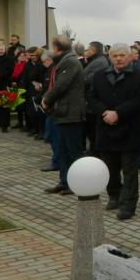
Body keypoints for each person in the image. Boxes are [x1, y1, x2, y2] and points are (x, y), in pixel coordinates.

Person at [86, 43, 140, 220]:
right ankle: (114, 196)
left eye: (122, 55)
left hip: (130, 130)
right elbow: (91, 97)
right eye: (115, 56)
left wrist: (118, 113)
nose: (119, 59)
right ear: (110, 57)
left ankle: (128, 205)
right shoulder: (99, 75)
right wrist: (105, 112)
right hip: (106, 128)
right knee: (110, 169)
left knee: (129, 172)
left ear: (130, 57)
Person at [42, 35, 86, 196]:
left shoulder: (70, 62)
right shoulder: (62, 61)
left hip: (71, 113)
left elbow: (61, 85)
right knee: (62, 151)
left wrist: (46, 99)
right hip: (61, 112)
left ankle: (77, 184)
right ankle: (64, 181)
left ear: (57, 48)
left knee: (73, 151)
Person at [82, 41, 108, 155]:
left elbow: (92, 79)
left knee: (93, 128)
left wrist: (81, 80)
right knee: (91, 128)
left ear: (94, 50)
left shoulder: (100, 62)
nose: (87, 51)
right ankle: (93, 149)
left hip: (93, 100)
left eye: (89, 49)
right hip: (89, 100)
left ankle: (95, 151)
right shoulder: (95, 61)